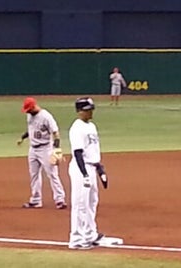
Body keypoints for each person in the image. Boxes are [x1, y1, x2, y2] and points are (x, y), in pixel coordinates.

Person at [68, 97, 108, 250]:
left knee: (92, 202)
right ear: (79, 111)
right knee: (80, 204)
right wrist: (84, 174)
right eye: (87, 110)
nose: (90, 112)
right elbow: (78, 153)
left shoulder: (91, 126)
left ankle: (90, 234)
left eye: (91, 109)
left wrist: (100, 169)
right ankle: (77, 239)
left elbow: (93, 151)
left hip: (91, 167)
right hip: (81, 168)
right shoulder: (77, 128)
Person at [17, 97, 67, 209]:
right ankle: (36, 200)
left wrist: (57, 149)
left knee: (53, 174)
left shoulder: (46, 117)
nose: (28, 112)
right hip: (33, 149)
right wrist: (22, 138)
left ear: (34, 106)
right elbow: (31, 130)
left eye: (29, 109)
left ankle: (60, 200)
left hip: (46, 149)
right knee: (34, 175)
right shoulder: (29, 115)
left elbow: (55, 133)